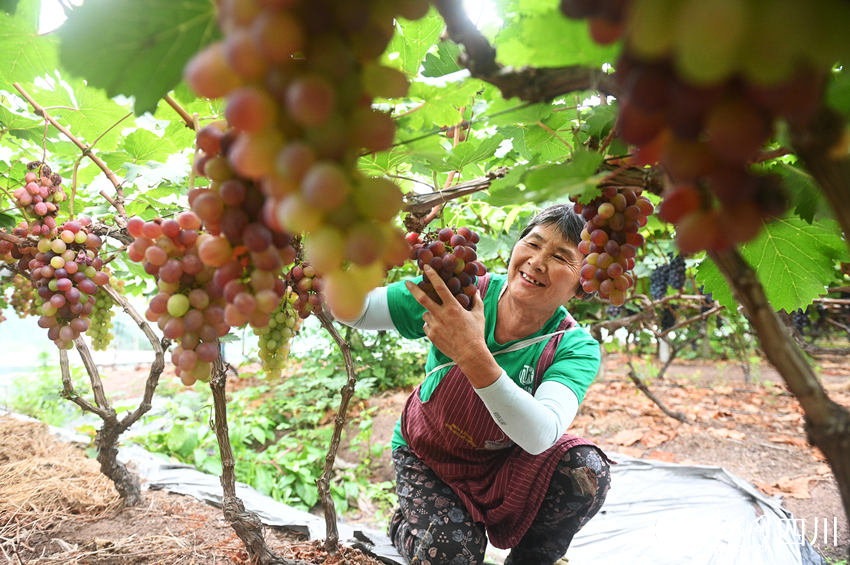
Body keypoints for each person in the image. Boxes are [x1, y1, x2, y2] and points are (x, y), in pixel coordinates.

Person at [338, 204, 612, 565]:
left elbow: (540, 435)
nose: (537, 261)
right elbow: (353, 310)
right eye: (533, 244)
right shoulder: (458, 293)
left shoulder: (574, 346)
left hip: (503, 466)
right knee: (454, 555)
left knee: (586, 470)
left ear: (582, 285)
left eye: (560, 257)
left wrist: (471, 353)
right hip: (430, 458)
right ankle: (408, 525)